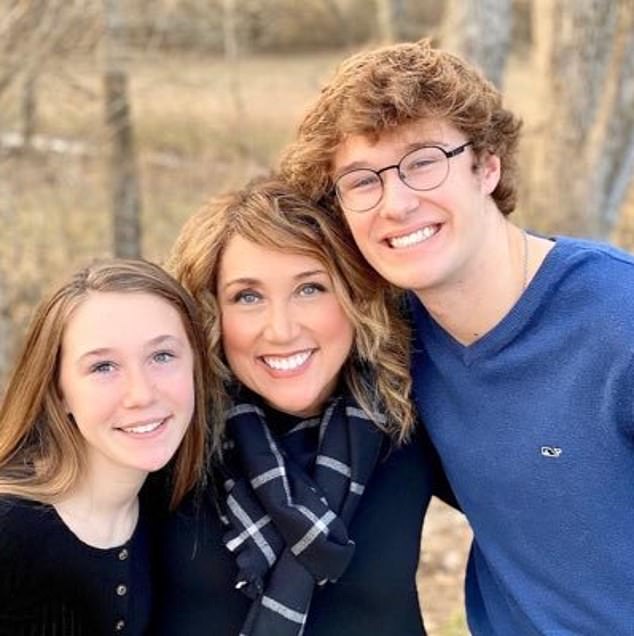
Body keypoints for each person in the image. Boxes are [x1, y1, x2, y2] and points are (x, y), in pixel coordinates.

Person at [280, 37, 634, 635]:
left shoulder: (616, 324)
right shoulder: (391, 341)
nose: (396, 203)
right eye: (363, 180)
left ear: (487, 166)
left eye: (423, 162)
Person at [153, 176, 447, 636]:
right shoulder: (166, 440)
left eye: (310, 288)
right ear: (211, 313)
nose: (282, 329)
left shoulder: (409, 417)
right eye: (247, 297)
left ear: (355, 296)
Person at [0, 259, 208, 635]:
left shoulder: (173, 510)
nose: (142, 394)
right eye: (103, 367)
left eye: (162, 356)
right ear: (58, 391)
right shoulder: (10, 529)